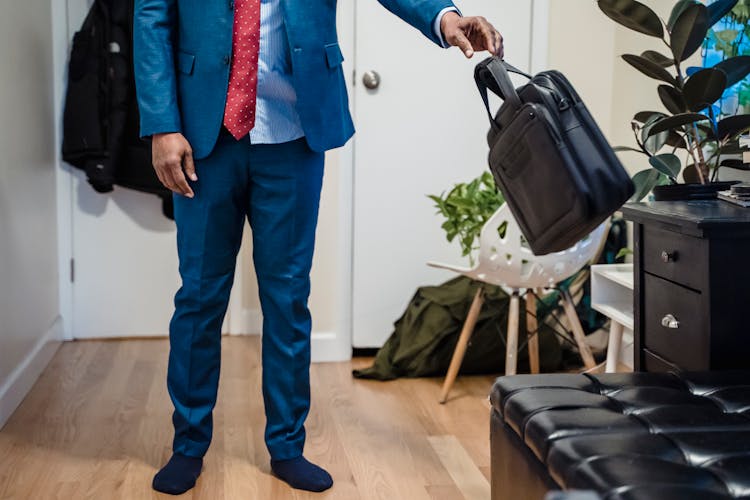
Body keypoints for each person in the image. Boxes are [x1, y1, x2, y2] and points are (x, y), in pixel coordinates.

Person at [133, 0, 503, 494]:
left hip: (293, 131)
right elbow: (151, 15)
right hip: (203, 133)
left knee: (287, 298)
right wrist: (162, 122)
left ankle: (286, 446)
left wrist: (446, 19)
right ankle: (188, 445)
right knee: (199, 298)